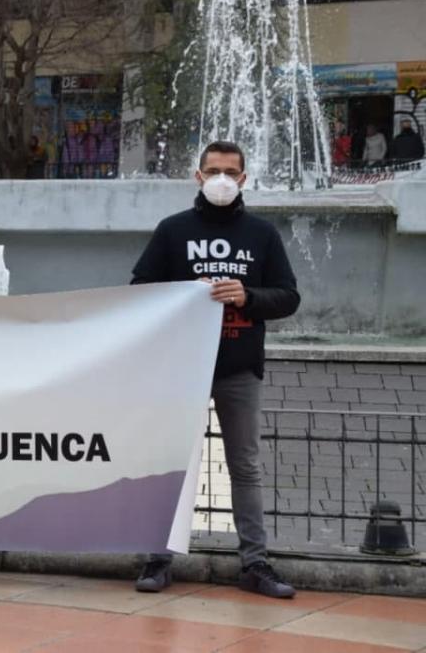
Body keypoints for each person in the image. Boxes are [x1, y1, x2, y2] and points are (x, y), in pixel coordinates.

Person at [131, 141, 300, 599]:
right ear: (198, 176)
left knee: (244, 465)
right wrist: (186, 290)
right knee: (172, 463)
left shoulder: (262, 234)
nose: (222, 178)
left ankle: (255, 562)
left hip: (239, 366)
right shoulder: (173, 230)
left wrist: (247, 296)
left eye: (230, 171)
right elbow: (140, 288)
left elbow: (288, 296)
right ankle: (159, 555)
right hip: (181, 367)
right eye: (213, 170)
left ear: (244, 179)